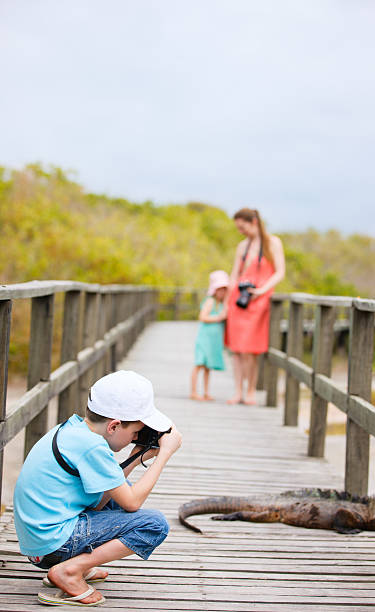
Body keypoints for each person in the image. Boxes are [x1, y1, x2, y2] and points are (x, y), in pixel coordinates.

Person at [13, 370, 182, 607]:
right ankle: (71, 569)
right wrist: (164, 455)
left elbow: (103, 498)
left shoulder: (74, 430)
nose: (136, 437)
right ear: (114, 426)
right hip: (53, 544)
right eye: (135, 432)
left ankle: (76, 564)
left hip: (39, 543)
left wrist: (135, 457)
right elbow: (132, 503)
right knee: (154, 524)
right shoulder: (92, 448)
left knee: (119, 489)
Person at [225, 208, 285, 405]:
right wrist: (227, 299)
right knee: (236, 350)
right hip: (239, 301)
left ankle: (250, 391)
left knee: (250, 350)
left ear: (254, 222)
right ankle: (237, 391)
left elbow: (279, 272)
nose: (240, 231)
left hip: (259, 300)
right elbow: (235, 274)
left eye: (243, 227)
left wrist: (262, 290)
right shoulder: (242, 246)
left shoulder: (272, 242)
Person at [190, 270, 229, 401]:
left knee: (208, 367)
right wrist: (218, 317)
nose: (222, 292)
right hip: (205, 339)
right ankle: (193, 391)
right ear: (214, 290)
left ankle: (206, 392)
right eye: (220, 289)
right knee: (199, 364)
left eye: (224, 290)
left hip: (213, 341)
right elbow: (202, 317)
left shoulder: (221, 303)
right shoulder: (210, 301)